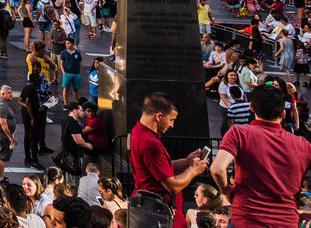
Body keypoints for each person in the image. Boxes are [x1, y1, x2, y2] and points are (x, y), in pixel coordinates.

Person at [211, 77, 311, 228]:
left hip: (246, 219)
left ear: (251, 107)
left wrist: (226, 190)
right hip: (286, 221)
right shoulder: (303, 144)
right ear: (283, 114)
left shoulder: (239, 133)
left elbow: (217, 169)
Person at [129, 92, 208, 228]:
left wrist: (186, 161)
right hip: (157, 211)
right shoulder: (150, 144)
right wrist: (193, 170)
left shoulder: (138, 131)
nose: (172, 125)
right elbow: (173, 185)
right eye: (171, 119)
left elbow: (159, 168)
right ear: (159, 116)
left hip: (149, 207)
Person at [0, 84, 19, 182]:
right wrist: (10, 137)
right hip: (3, 136)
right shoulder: (2, 105)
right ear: (3, 94)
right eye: (9, 93)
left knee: (1, 155)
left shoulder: (3, 102)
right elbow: (3, 123)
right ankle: (0, 178)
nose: (12, 94)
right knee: (2, 156)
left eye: (11, 92)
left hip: (3, 135)